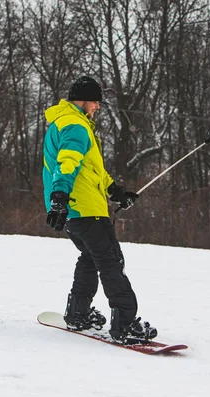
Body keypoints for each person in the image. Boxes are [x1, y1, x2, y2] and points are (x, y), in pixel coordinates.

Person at [42, 76, 157, 343]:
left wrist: (115, 191)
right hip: (84, 208)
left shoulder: (64, 123)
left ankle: (78, 314)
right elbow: (67, 163)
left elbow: (89, 170)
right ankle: (125, 324)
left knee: (91, 258)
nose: (97, 108)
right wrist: (60, 195)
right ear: (82, 101)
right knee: (111, 261)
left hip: (74, 211)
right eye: (95, 102)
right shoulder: (76, 126)